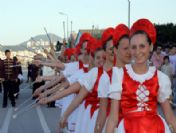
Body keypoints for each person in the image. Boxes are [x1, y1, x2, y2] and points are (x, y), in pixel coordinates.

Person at [106, 19, 176, 133]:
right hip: (128, 129)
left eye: (142, 46)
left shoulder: (160, 78)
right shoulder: (119, 75)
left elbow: (169, 116)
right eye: (133, 47)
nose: (137, 51)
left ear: (151, 47)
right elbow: (113, 118)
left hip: (156, 129)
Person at [95, 24, 131, 133]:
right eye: (125, 48)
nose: (129, 52)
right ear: (115, 50)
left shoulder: (137, 74)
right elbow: (102, 114)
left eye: (131, 47)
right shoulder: (106, 78)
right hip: (118, 128)